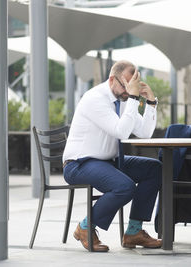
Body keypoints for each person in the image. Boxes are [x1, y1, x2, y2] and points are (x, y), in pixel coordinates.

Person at [63, 60, 162, 252]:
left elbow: (145, 133)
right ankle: (85, 227)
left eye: (133, 85)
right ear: (112, 79)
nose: (129, 90)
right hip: (79, 163)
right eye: (126, 84)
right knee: (124, 187)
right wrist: (133, 98)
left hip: (108, 162)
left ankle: (133, 231)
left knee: (154, 168)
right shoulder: (95, 99)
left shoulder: (124, 99)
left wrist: (150, 103)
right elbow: (121, 132)